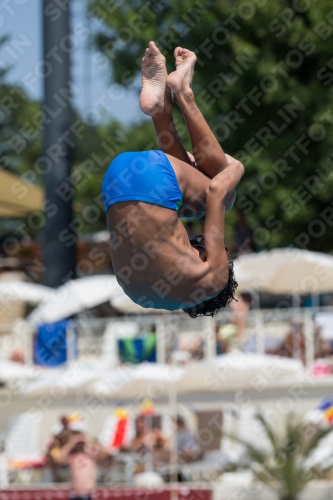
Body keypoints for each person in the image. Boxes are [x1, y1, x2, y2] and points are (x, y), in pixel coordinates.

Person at [102, 41, 244, 318]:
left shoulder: (214, 280)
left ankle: (183, 93)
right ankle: (158, 109)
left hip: (155, 176)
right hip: (115, 180)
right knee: (190, 206)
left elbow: (215, 189)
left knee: (224, 199)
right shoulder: (140, 297)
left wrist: (237, 169)